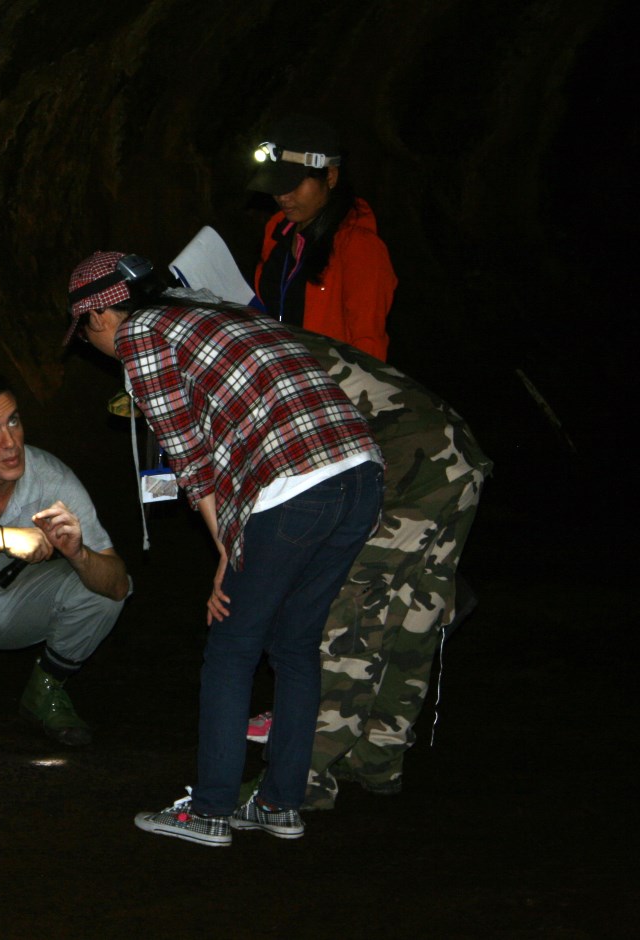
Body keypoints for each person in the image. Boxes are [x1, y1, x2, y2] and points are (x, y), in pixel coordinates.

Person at [67, 251, 383, 847]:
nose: (92, 345)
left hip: (294, 486)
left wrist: (227, 554)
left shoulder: (142, 337)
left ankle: (210, 810)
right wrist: (233, 549)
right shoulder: (216, 310)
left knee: (232, 647)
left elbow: (191, 462)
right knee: (293, 647)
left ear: (104, 313)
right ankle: (280, 804)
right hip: (361, 477)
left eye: (85, 330)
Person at [291, 331, 491, 809]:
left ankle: (304, 776)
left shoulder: (253, 363)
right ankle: (378, 758)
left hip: (417, 466)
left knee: (350, 606)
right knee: (416, 608)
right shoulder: (266, 340)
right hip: (455, 456)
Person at [0, 367, 129, 746]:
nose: (10, 443)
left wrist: (77, 553)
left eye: (14, 422)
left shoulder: (51, 477)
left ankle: (46, 690)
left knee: (98, 586)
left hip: (19, 607)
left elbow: (118, 585)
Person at [250, 115, 396, 360]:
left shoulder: (360, 248)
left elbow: (368, 346)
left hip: (325, 385)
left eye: (294, 184)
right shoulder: (277, 231)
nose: (282, 196)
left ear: (330, 176)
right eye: (277, 184)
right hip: (277, 373)